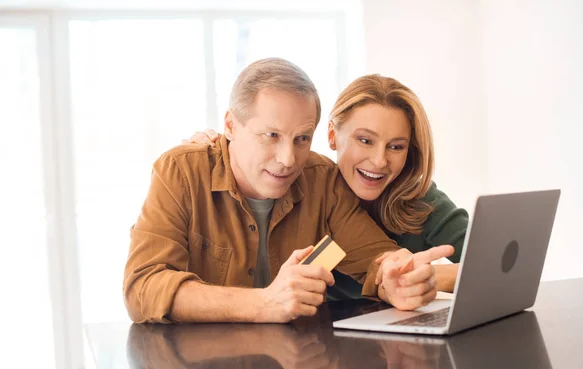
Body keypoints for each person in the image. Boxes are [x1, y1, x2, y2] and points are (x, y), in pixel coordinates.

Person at [124, 58, 453, 324]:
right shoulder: (180, 171)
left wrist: (396, 278)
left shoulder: (323, 180)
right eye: (270, 135)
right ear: (230, 125)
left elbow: (376, 257)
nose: (288, 160)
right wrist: (264, 303)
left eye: (302, 139)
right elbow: (143, 288)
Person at [186, 74, 468, 300]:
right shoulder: (308, 193)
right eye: (365, 140)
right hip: (328, 345)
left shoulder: (418, 198)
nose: (380, 160)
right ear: (332, 135)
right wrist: (222, 152)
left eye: (396, 146)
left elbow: (495, 264)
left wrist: (428, 276)